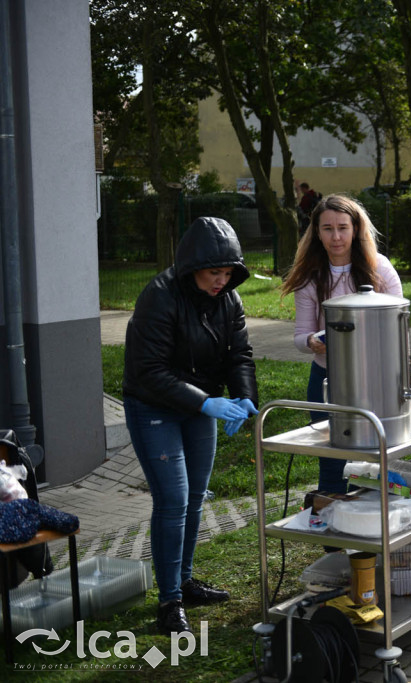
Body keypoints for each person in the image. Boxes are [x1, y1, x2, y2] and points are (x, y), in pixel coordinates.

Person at [122, 217, 259, 635]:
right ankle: (169, 602)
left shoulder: (228, 300)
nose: (222, 281)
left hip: (201, 407)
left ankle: (184, 581)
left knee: (196, 497)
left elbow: (240, 353)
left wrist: (244, 395)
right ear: (191, 267)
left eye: (228, 273)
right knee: (173, 500)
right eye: (214, 273)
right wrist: (206, 401)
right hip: (154, 406)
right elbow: (149, 371)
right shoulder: (159, 297)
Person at [282, 194, 402, 495]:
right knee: (333, 463)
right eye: (327, 228)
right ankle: (333, 534)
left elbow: (400, 322)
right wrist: (311, 341)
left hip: (378, 380)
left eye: (343, 227)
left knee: (380, 459)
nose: (336, 236)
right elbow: (300, 336)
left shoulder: (381, 269)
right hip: (326, 381)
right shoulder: (310, 278)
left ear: (356, 229)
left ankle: (378, 529)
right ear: (316, 233)